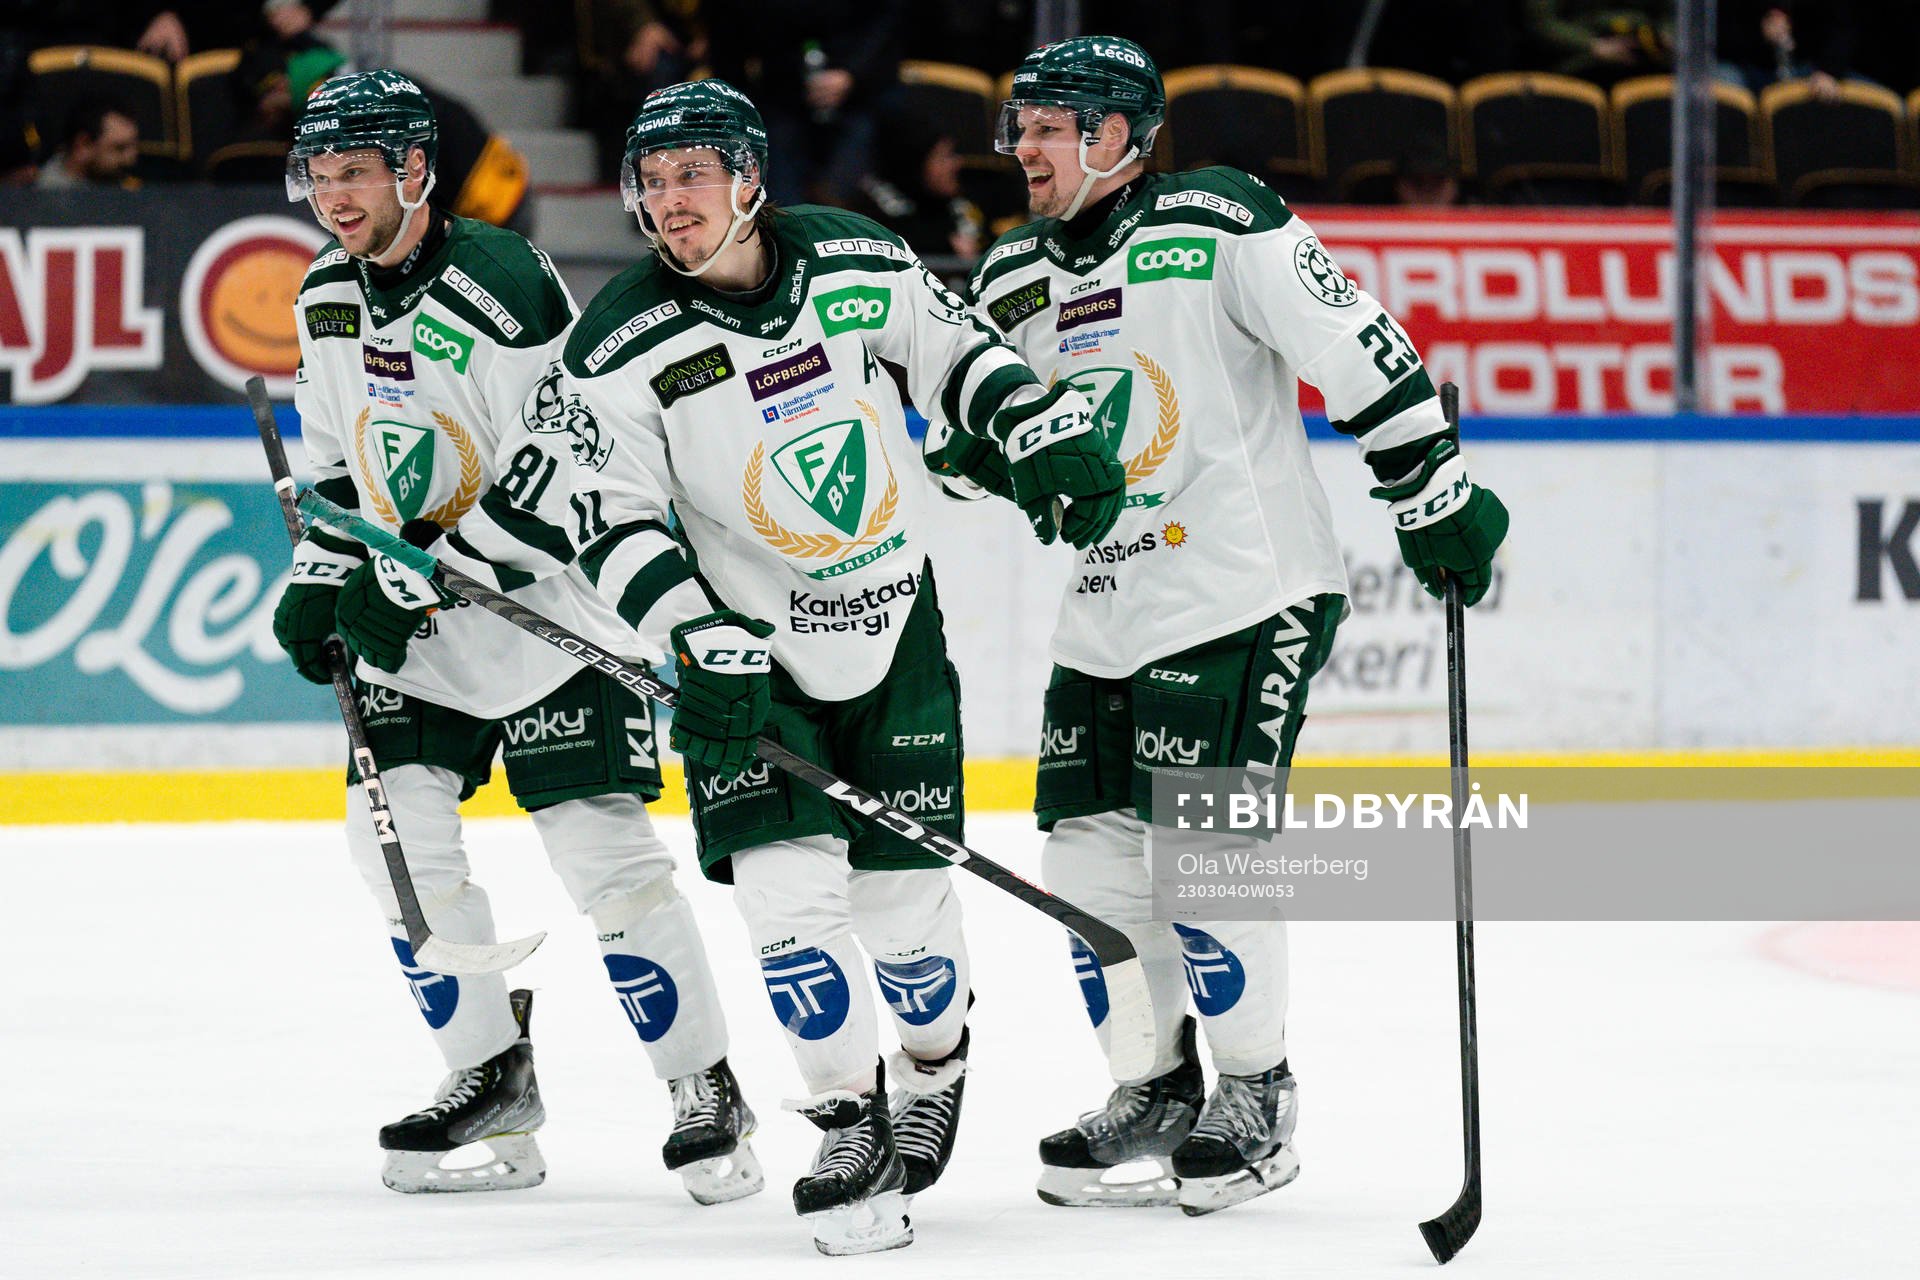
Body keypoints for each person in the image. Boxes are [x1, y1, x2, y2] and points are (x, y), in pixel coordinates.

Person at [390, 78, 1124, 1253]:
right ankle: (843, 1120)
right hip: (747, 659)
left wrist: (1034, 422)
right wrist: (692, 629)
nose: (668, 200)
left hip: (894, 639)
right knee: (789, 903)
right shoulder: (620, 342)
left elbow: (954, 352)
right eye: (651, 179)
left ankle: (933, 1059)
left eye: (691, 173)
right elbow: (611, 521)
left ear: (749, 177)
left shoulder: (851, 257)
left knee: (901, 909)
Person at [937, 36, 1509, 1216]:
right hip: (1105, 608)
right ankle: (1150, 1088)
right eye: (1022, 127)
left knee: (1205, 853)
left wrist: (1430, 489)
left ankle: (1257, 1093)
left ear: (1119, 136)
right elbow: (962, 454)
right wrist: (1007, 465)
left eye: (1051, 128)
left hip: (1246, 586)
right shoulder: (1008, 277)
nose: (1025, 149)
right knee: (1087, 859)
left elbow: (1354, 346)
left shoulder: (1218, 216)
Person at [270, 68, 761, 1205]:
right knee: (389, 835)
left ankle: (704, 1084)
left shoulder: (502, 283)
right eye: (322, 174)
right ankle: (486, 1070)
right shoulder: (321, 299)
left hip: (545, 610)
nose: (336, 197)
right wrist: (323, 568)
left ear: (413, 170)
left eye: (357, 172)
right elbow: (340, 471)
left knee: (604, 855)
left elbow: (561, 468)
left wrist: (421, 573)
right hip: (419, 623)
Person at [35, 94, 139, 188]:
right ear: (83, 145)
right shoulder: (48, 198)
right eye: (119, 148)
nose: (130, 159)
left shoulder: (118, 186)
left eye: (134, 146)